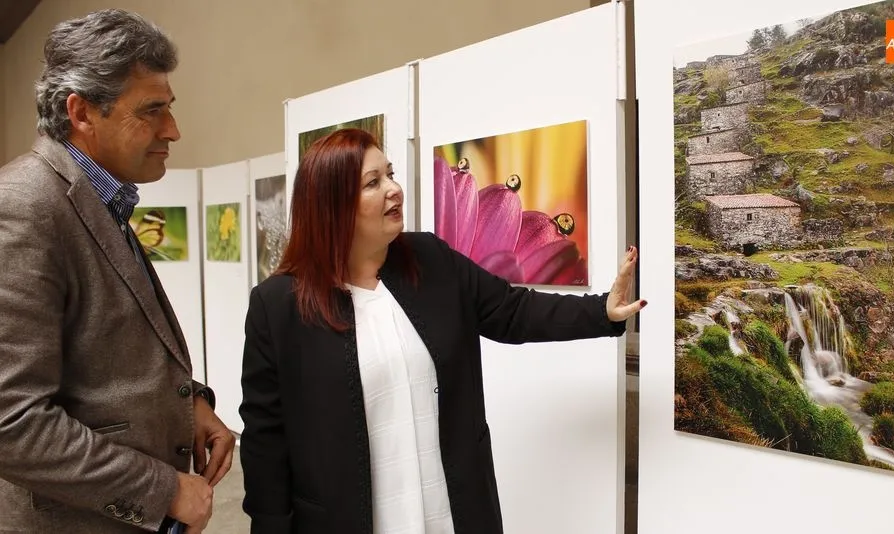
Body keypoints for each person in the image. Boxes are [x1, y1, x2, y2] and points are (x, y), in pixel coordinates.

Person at [239, 128, 646, 533]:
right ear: (331, 204)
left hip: (452, 516)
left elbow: (513, 310)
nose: (394, 189)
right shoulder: (278, 307)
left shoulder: (431, 259)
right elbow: (265, 443)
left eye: (391, 174)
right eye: (373, 182)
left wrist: (601, 312)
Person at [0, 9, 235, 533]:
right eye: (152, 111)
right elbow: (10, 422)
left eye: (169, 108)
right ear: (82, 113)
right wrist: (164, 490)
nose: (172, 130)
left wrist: (189, 401)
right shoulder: (25, 205)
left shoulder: (100, 199)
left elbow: (104, 355)